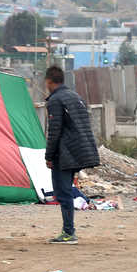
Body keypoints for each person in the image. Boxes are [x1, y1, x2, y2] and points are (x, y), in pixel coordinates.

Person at [44, 66, 100, 244]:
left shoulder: (55, 100)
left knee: (63, 192)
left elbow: (54, 130)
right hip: (79, 150)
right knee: (66, 190)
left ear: (49, 82)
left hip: (65, 152)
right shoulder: (75, 96)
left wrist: (49, 155)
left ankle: (69, 233)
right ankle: (68, 231)